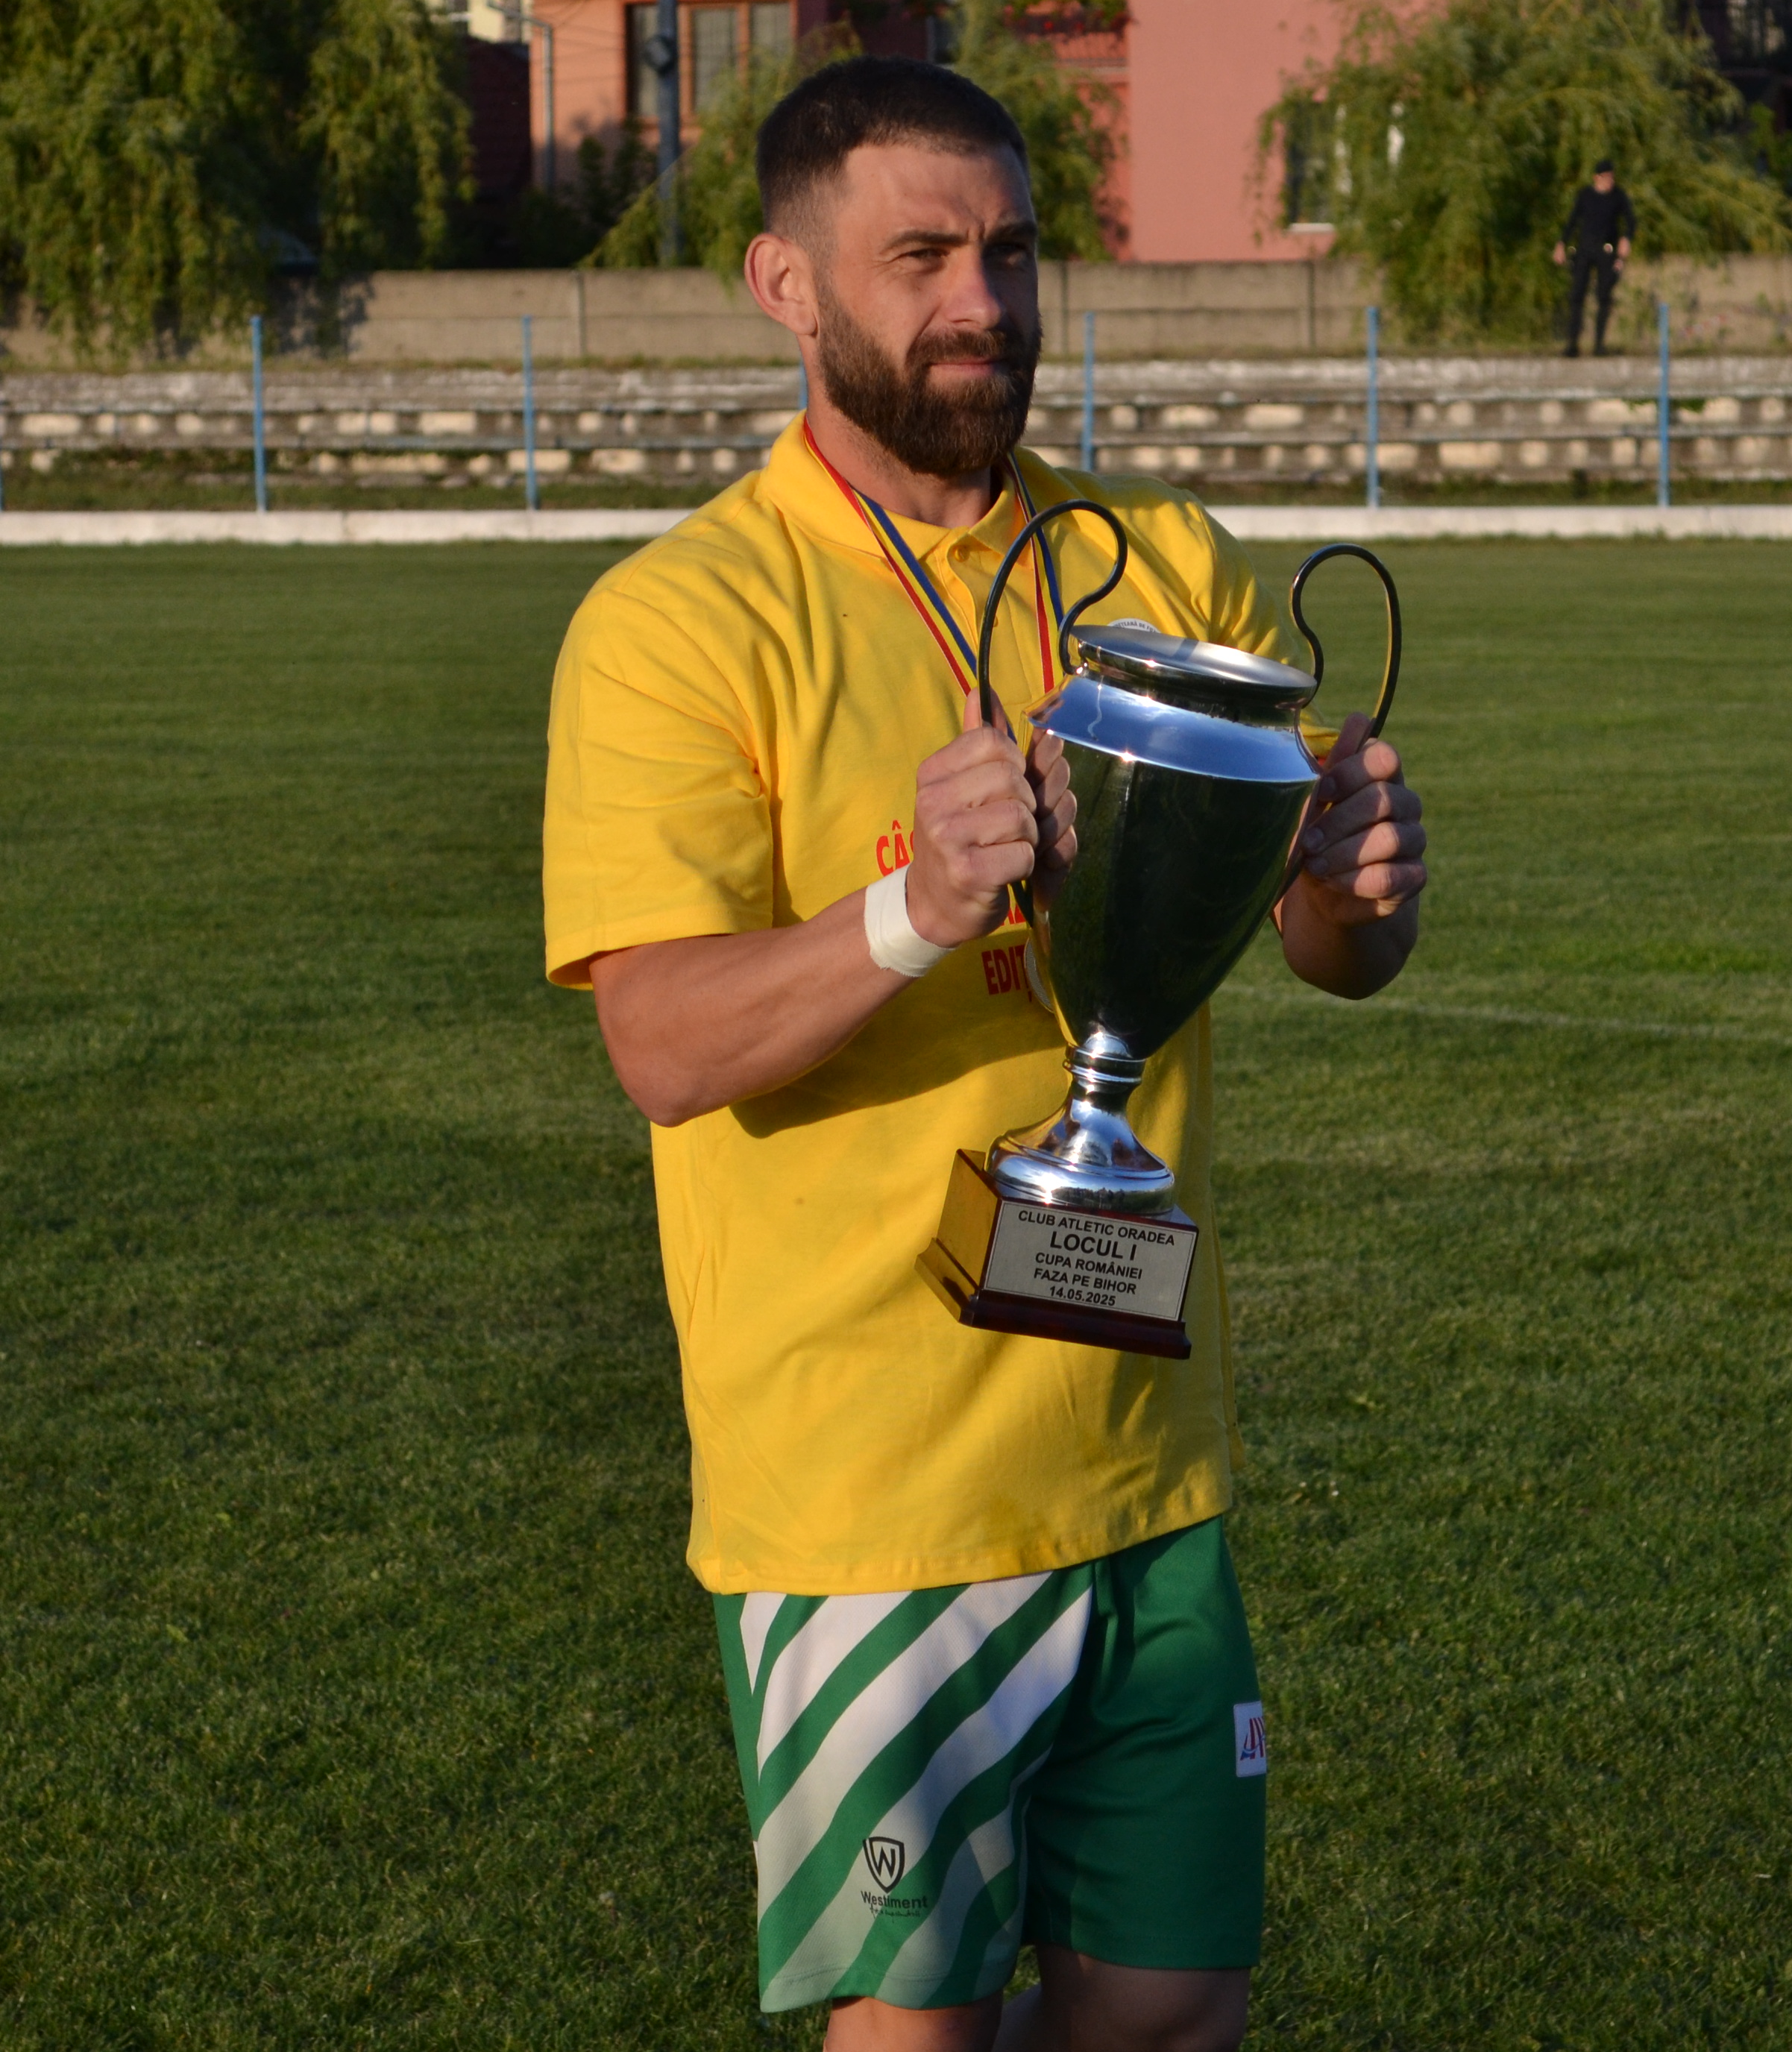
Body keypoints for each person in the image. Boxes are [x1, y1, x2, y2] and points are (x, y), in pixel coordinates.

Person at [541, 55, 1427, 2052]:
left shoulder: (1160, 568)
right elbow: (659, 1045)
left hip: (1137, 1459)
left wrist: (1357, 885)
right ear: (785, 284)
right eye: (921, 255)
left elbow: (1314, 948)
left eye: (1010, 252)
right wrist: (908, 912)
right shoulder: (682, 619)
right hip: (864, 1506)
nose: (980, 302)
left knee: (1170, 2015)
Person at [1553, 157, 1636, 357]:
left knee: (1604, 295)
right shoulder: (1585, 195)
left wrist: (1626, 239)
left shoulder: (1618, 196)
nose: (1609, 181)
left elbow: (1631, 221)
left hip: (1607, 250)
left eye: (1611, 177)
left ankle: (1599, 345)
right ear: (1596, 178)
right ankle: (1572, 344)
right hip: (1585, 248)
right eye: (1606, 177)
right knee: (1577, 294)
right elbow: (1573, 220)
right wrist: (1561, 244)